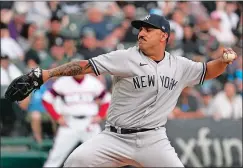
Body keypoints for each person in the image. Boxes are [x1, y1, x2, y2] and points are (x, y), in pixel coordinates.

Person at [6, 14, 238, 167]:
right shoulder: (125, 57)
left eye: (149, 29)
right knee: (74, 162)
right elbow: (85, 66)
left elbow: (207, 71)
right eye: (140, 29)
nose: (141, 33)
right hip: (115, 137)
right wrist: (47, 74)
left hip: (153, 139)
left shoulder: (180, 65)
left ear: (164, 36)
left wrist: (223, 61)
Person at [42, 73, 110, 167]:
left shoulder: (93, 82)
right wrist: (57, 117)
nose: (78, 71)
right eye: (75, 67)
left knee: (101, 156)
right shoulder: (63, 82)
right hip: (69, 123)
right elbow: (46, 99)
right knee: (55, 157)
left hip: (89, 123)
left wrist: (100, 115)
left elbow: (107, 99)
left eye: (81, 68)